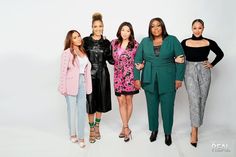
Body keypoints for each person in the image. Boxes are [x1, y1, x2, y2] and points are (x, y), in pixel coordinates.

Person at [134, 17, 185, 146]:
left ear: (162, 27)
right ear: (150, 28)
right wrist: (137, 78)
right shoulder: (145, 42)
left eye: (158, 25)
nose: (156, 28)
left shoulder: (172, 40)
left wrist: (179, 78)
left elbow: (181, 59)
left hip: (168, 78)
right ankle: (154, 130)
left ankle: (168, 133)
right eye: (153, 26)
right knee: (151, 107)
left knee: (167, 107)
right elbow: (137, 61)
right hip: (148, 79)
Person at [181, 19, 224, 147]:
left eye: (200, 28)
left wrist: (212, 64)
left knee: (202, 99)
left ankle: (196, 127)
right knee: (194, 99)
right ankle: (194, 131)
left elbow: (220, 54)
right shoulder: (185, 42)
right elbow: (176, 54)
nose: (197, 30)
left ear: (203, 28)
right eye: (195, 28)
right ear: (191, 29)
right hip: (189, 70)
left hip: (204, 71)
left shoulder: (208, 42)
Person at [83, 13, 114, 143]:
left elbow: (111, 60)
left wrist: (119, 49)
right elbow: (80, 57)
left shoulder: (106, 42)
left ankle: (97, 127)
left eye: (100, 26)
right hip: (89, 74)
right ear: (92, 27)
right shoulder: (85, 41)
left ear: (103, 27)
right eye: (95, 26)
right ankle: (91, 129)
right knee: (91, 102)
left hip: (102, 74)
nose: (98, 28)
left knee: (100, 102)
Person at [58, 30, 92, 148]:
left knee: (82, 111)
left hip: (82, 82)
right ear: (70, 40)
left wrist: (88, 86)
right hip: (70, 84)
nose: (78, 38)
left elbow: (86, 70)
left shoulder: (83, 52)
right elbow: (62, 72)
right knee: (71, 110)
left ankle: (81, 137)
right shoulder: (67, 53)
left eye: (79, 36)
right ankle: (73, 134)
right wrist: (63, 88)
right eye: (75, 37)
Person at [111, 22, 140, 142]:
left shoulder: (135, 45)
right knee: (120, 101)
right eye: (123, 30)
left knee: (128, 101)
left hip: (130, 77)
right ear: (119, 31)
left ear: (131, 32)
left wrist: (141, 65)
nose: (125, 32)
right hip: (118, 76)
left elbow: (141, 59)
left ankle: (125, 127)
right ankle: (126, 127)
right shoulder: (114, 43)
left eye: (128, 30)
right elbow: (108, 57)